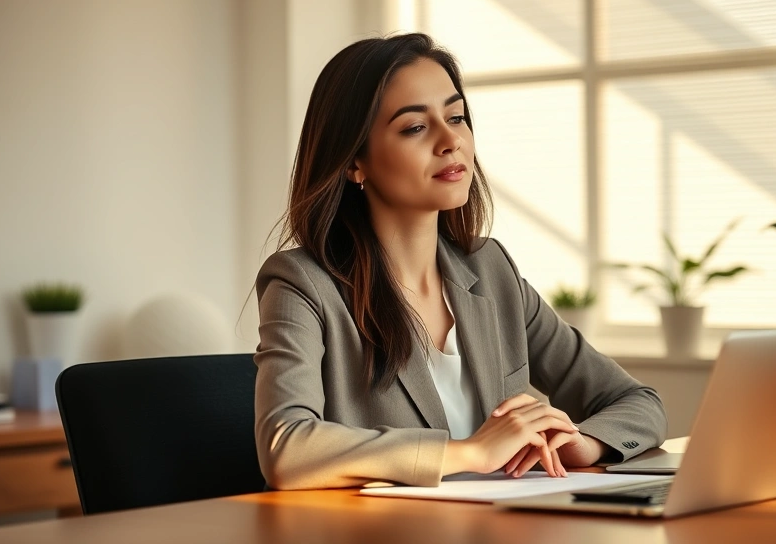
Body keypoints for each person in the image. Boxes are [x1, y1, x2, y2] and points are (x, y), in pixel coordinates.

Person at [254, 33, 667, 490]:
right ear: (355, 162)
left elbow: (636, 400)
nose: (451, 140)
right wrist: (470, 452)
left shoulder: (491, 270)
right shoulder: (302, 283)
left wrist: (582, 442)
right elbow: (286, 448)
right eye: (415, 127)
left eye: (457, 117)